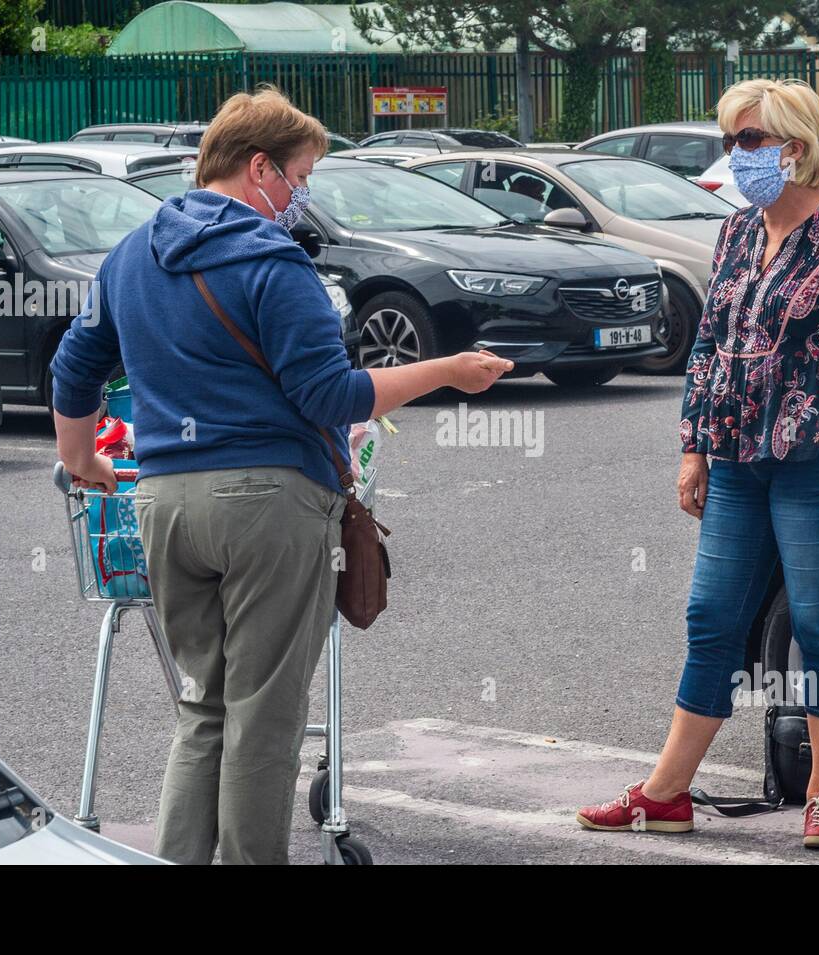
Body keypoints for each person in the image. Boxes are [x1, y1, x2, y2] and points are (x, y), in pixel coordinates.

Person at [50, 87, 513, 864]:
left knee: (204, 707)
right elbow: (330, 394)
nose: (304, 196)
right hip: (266, 502)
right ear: (258, 167)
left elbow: (74, 369)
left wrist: (81, 460)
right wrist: (448, 370)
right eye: (301, 176)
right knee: (265, 716)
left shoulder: (130, 254)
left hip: (161, 503)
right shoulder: (273, 261)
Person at [576, 79, 819, 849]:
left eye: (752, 141)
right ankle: (665, 792)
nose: (738, 155)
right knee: (711, 618)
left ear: (796, 147)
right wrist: (694, 445)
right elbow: (709, 348)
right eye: (732, 141)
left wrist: (814, 423)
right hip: (734, 462)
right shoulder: (735, 234)